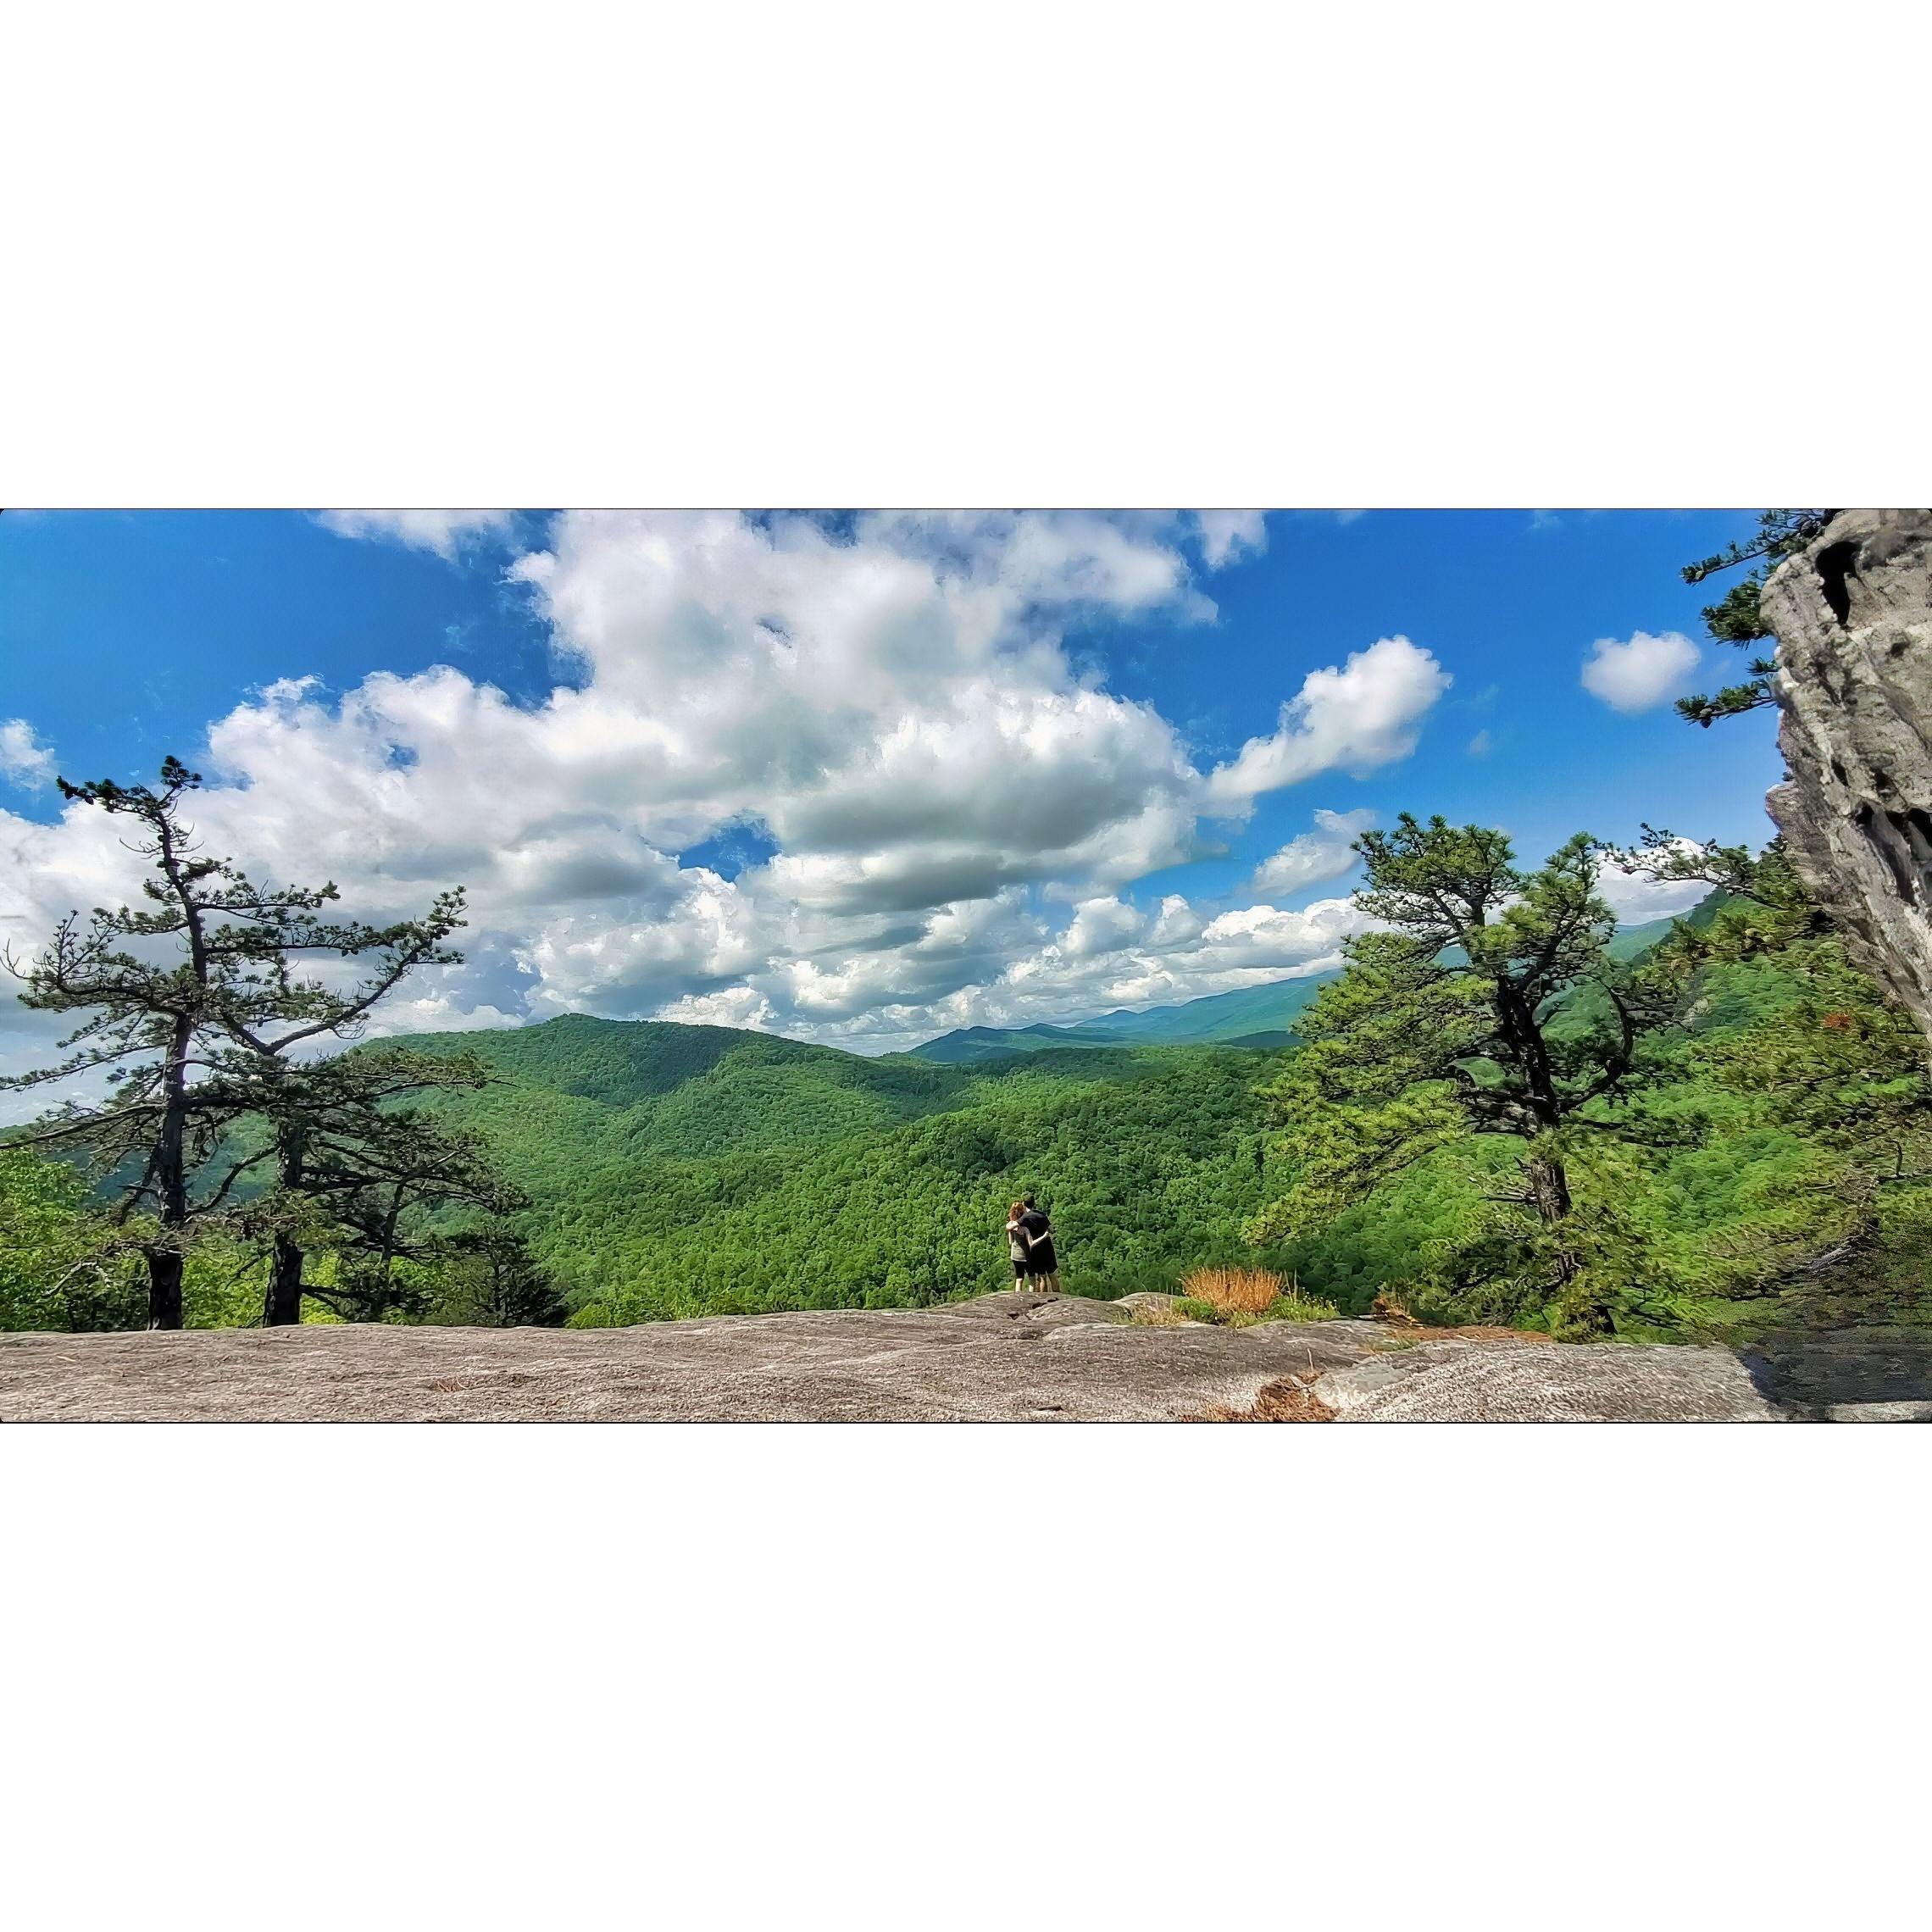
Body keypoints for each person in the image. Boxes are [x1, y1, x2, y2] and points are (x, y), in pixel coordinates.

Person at [1018, 1193, 1059, 1295]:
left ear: (1023, 1204)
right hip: (1048, 1247)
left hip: (1036, 1249)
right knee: (1052, 1275)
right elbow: (1050, 1229)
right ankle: (1059, 1298)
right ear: (1033, 1203)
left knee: (1042, 1277)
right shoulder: (1042, 1215)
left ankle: (1044, 1299)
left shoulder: (1025, 1218)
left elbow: (1014, 1226)